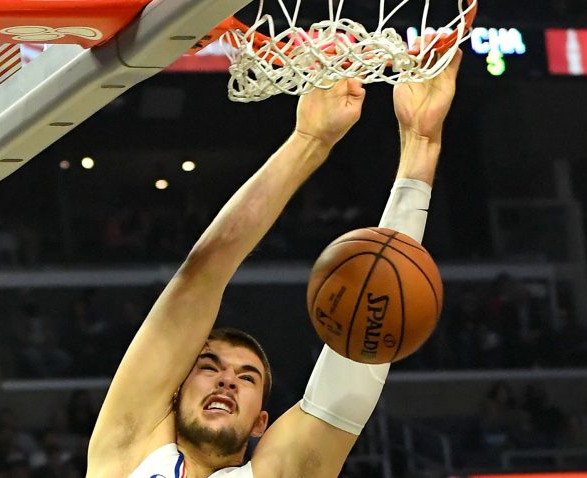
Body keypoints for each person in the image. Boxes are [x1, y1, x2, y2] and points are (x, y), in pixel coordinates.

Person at [86, 48, 463, 478]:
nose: (227, 380)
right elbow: (204, 273)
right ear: (171, 394)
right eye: (209, 368)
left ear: (260, 423)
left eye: (247, 378)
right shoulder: (126, 453)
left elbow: (372, 323)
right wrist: (307, 142)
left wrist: (421, 144)